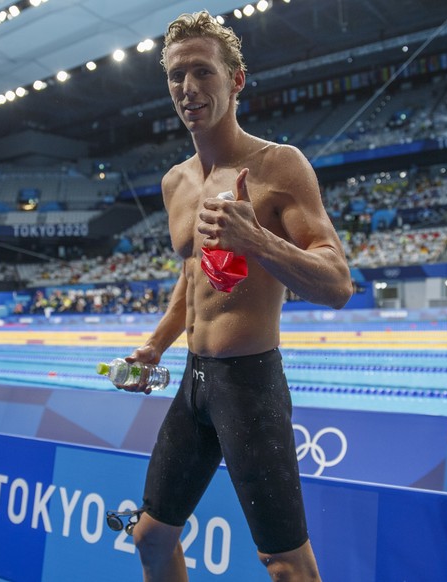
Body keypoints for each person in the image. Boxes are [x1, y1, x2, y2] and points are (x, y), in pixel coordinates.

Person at [115, 11, 352, 582]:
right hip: (195, 383)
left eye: (202, 71)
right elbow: (193, 277)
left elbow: (338, 281)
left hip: (249, 386)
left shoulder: (279, 165)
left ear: (236, 79)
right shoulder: (176, 182)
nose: (188, 88)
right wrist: (154, 345)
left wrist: (258, 240)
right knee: (149, 539)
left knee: (287, 568)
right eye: (176, 76)